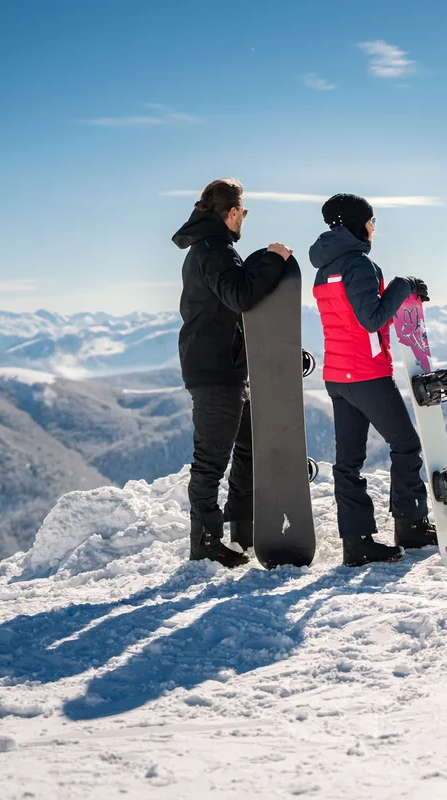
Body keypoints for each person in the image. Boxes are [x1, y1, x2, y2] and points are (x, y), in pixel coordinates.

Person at [309, 193, 438, 567]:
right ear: (356, 223)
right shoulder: (360, 266)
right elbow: (371, 319)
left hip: (337, 375)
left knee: (348, 462)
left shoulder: (324, 269)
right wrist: (403, 285)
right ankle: (411, 526)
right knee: (406, 445)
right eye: (371, 220)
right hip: (367, 375)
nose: (374, 227)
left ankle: (358, 543)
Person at [173, 178, 295, 567]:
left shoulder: (212, 248)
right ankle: (205, 543)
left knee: (247, 446)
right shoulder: (214, 250)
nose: (244, 219)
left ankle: (243, 526)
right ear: (231, 213)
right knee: (211, 460)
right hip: (214, 371)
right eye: (243, 212)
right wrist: (272, 259)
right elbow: (239, 295)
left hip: (221, 366)